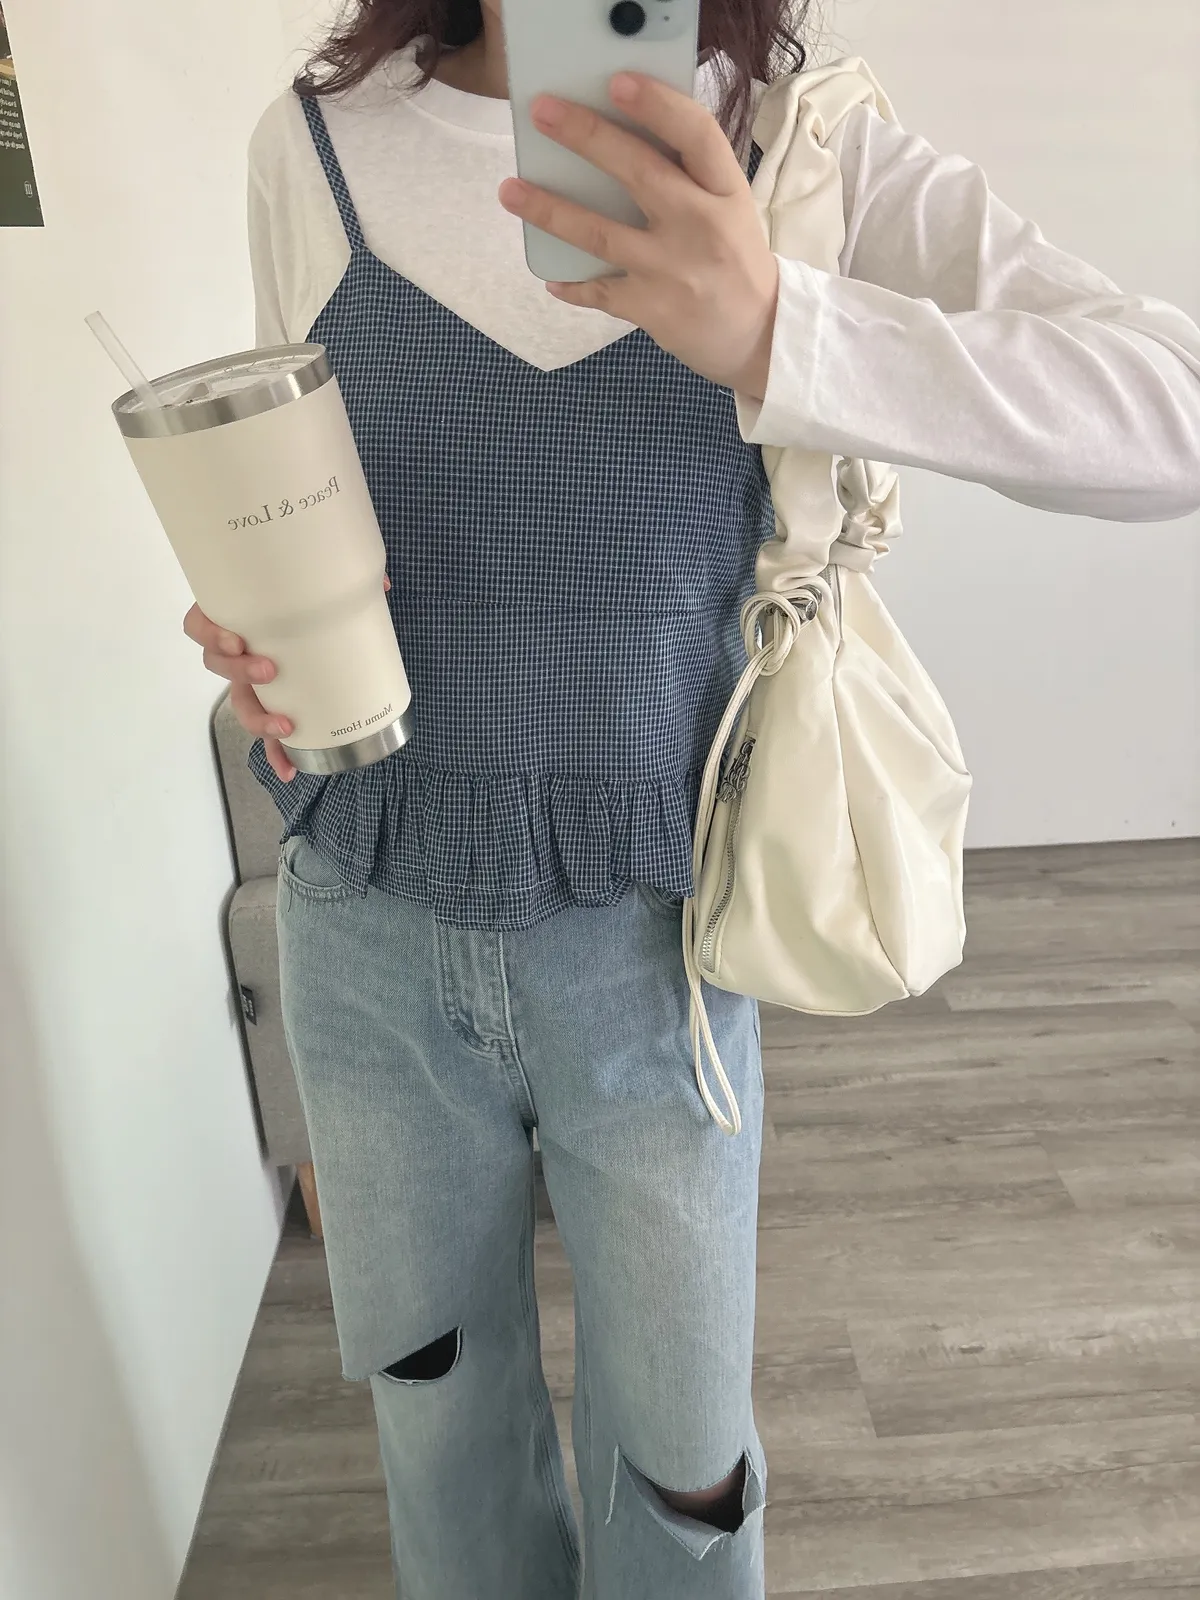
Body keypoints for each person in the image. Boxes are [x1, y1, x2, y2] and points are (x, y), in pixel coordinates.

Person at [184, 0, 1200, 1594]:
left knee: (686, 1473)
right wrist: (258, 626)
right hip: (365, 923)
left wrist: (783, 328)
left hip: (658, 953)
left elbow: (1171, 411)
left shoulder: (803, 147)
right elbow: (296, 496)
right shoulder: (310, 149)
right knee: (435, 1422)